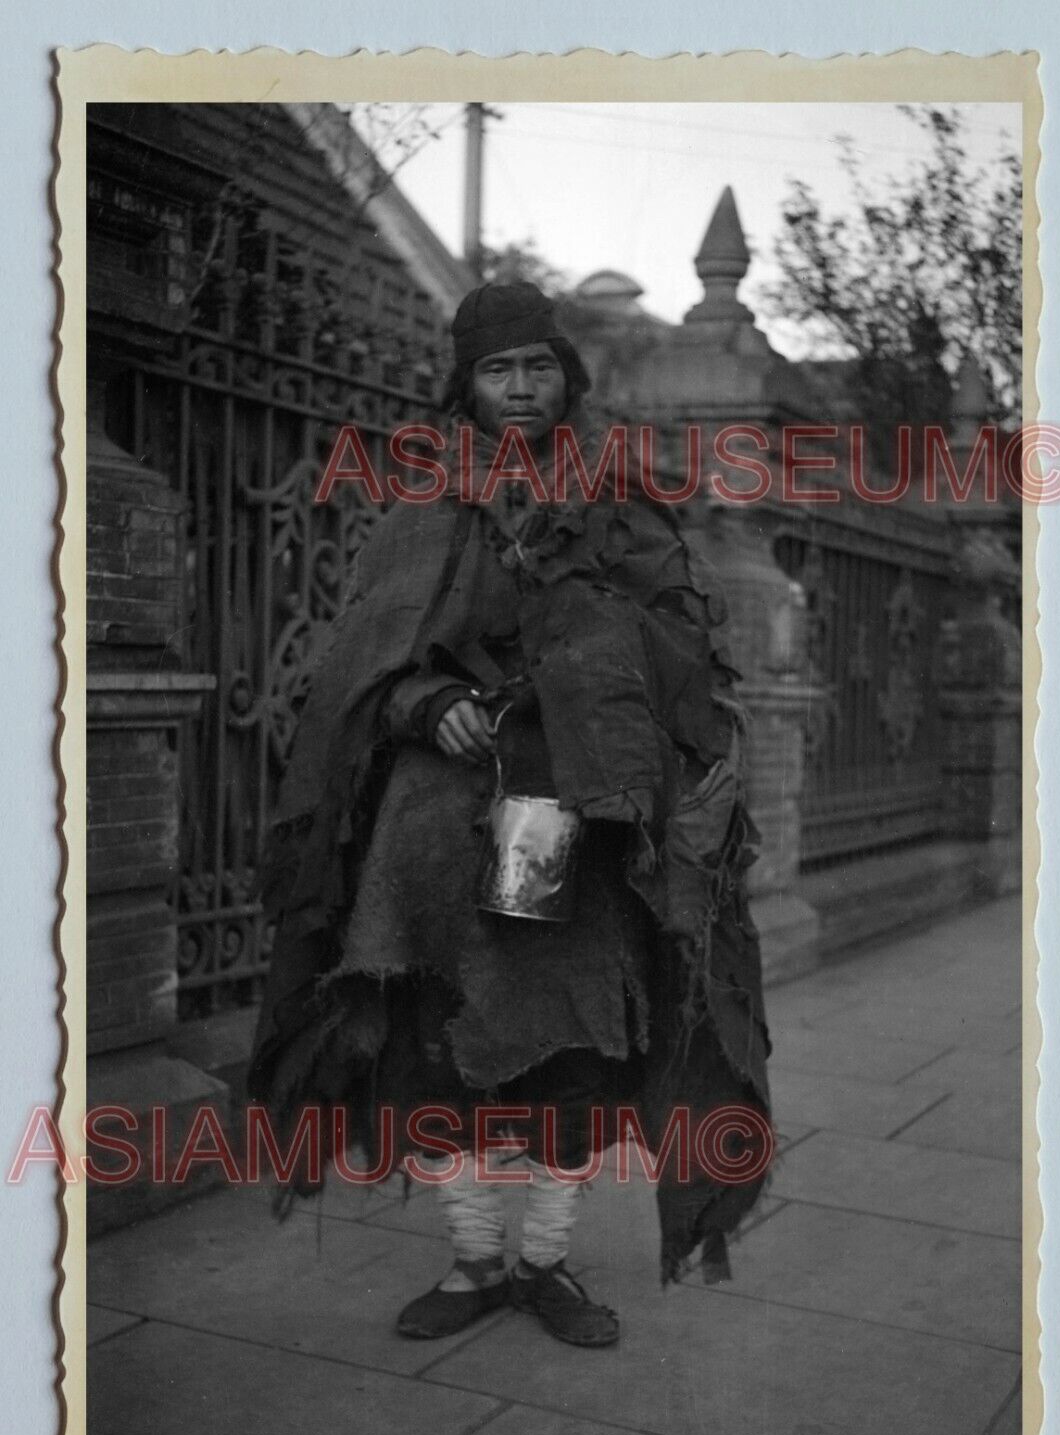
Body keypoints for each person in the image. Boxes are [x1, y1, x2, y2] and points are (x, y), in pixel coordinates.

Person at [247, 282, 773, 1350]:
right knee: (433, 1045)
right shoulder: (423, 497)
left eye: (538, 366)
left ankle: (546, 1262)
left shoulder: (617, 495)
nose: (520, 388)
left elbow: (676, 649)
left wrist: (586, 689)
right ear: (467, 382)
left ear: (566, 374)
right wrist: (423, 701)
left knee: (568, 1046)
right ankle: (475, 1255)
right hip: (435, 826)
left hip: (565, 818)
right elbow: (361, 662)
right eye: (498, 370)